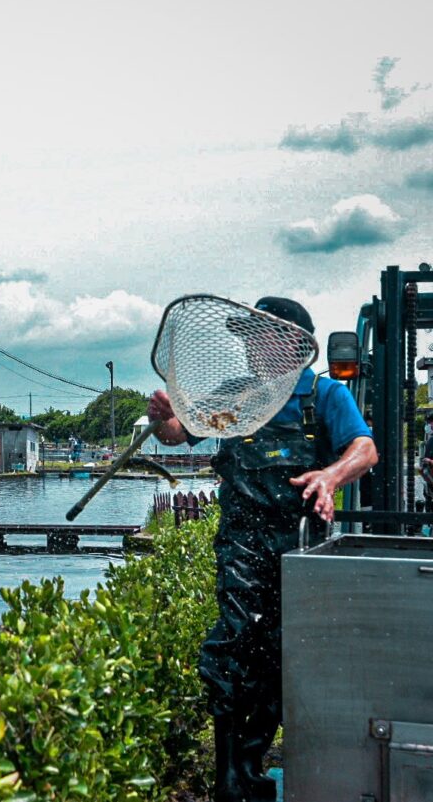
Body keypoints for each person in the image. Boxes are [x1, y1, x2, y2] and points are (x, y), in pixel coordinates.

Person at [147, 296, 376, 802]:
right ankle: (228, 777)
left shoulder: (324, 395)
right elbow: (178, 433)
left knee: (282, 654)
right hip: (242, 544)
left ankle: (252, 763)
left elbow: (365, 449)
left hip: (300, 549)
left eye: (259, 334)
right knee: (231, 648)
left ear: (294, 343)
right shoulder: (235, 393)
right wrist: (163, 417)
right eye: (246, 335)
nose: (248, 344)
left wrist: (331, 476)